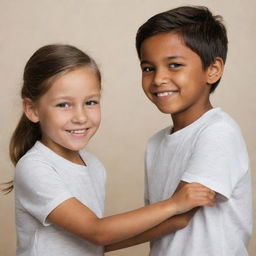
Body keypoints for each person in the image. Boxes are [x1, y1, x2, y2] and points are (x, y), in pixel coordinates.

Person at [3, 44, 215, 256]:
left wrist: (175, 220)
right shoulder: (34, 167)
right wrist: (173, 205)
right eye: (63, 105)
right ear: (32, 110)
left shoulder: (94, 166)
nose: (81, 117)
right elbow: (97, 232)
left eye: (90, 102)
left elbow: (98, 242)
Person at [106, 5, 252, 256]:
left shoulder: (218, 132)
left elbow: (178, 217)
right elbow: (156, 218)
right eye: (148, 68)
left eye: (174, 65)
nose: (158, 78)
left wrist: (95, 244)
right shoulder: (156, 143)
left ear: (213, 70)